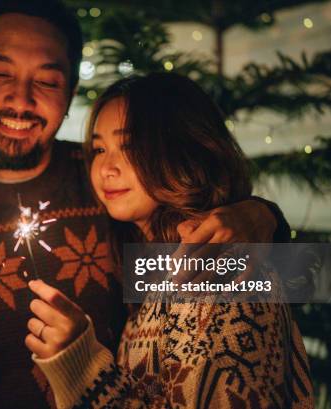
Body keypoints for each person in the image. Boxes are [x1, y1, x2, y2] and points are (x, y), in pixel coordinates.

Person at [0, 1, 289, 408]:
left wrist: (263, 216)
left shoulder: (109, 183)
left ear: (70, 88)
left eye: (47, 80)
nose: (21, 99)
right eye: (0, 74)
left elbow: (231, 276)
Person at [26, 73, 314, 408]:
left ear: (184, 149)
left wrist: (81, 368)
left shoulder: (216, 275)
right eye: (99, 148)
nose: (106, 167)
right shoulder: (160, 272)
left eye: (130, 147)